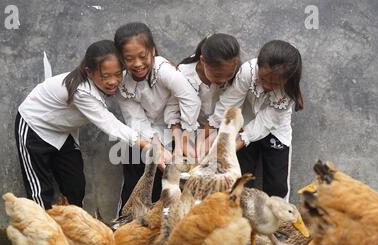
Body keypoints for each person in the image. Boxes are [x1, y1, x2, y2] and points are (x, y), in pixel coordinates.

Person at [15, 40, 152, 210]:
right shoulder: (82, 91)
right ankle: (40, 232)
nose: (113, 81)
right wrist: (147, 145)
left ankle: (74, 226)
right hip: (35, 127)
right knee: (39, 192)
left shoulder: (117, 77)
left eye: (118, 74)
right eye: (105, 76)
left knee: (75, 187)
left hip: (64, 133)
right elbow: (109, 123)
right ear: (89, 72)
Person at [114, 22, 201, 214]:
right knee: (136, 188)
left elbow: (190, 100)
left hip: (176, 132)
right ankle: (124, 226)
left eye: (142, 56)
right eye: (129, 59)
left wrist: (183, 138)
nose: (137, 63)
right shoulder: (122, 83)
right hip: (143, 138)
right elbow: (135, 120)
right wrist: (157, 148)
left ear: (152, 51)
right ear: (121, 59)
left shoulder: (164, 70)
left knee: (173, 193)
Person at [212, 40, 303, 200]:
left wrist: (239, 142)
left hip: (274, 129)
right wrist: (213, 128)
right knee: (240, 181)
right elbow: (230, 102)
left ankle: (278, 223)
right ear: (258, 67)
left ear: (287, 79)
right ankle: (242, 221)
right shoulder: (248, 71)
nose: (267, 85)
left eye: (274, 83)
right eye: (263, 79)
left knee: (277, 186)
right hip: (245, 122)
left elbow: (266, 121)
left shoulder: (289, 90)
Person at [166, 33, 241, 160]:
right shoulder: (184, 74)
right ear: (202, 61)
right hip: (187, 132)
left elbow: (231, 113)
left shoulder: (238, 74)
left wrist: (209, 141)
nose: (223, 80)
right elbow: (173, 112)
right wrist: (182, 144)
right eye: (217, 75)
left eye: (228, 75)